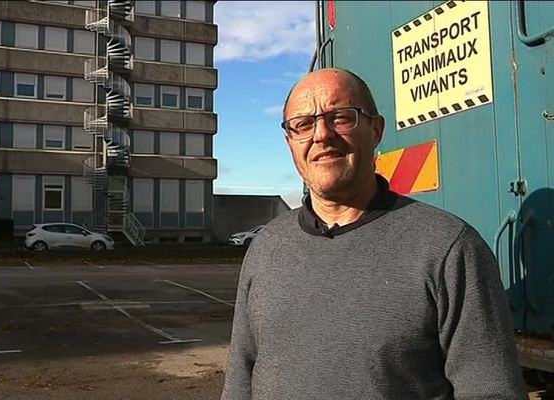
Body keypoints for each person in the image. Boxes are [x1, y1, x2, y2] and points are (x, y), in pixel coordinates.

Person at [221, 68, 527, 400]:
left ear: (376, 130)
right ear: (290, 142)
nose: (321, 135)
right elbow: (241, 375)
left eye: (340, 117)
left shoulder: (449, 248)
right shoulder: (267, 246)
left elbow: (492, 391)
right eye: (303, 125)